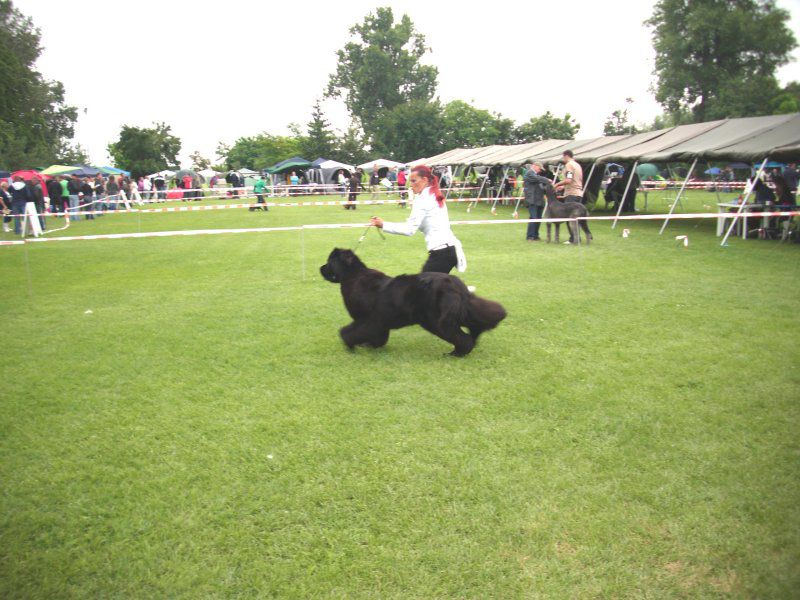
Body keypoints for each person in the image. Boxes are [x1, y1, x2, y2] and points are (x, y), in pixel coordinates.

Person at [370, 165, 466, 274]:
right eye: (410, 181)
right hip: (449, 250)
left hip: (441, 253)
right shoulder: (433, 194)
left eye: (414, 181)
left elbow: (409, 229)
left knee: (421, 289)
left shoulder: (423, 199)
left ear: (424, 180)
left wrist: (383, 224)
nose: (411, 185)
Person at [523, 162, 554, 242]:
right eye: (539, 169)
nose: (540, 170)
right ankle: (530, 236)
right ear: (534, 166)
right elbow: (537, 178)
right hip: (532, 200)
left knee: (538, 218)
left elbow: (541, 187)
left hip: (539, 200)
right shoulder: (530, 173)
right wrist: (547, 180)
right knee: (533, 218)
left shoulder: (537, 176)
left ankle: (535, 236)